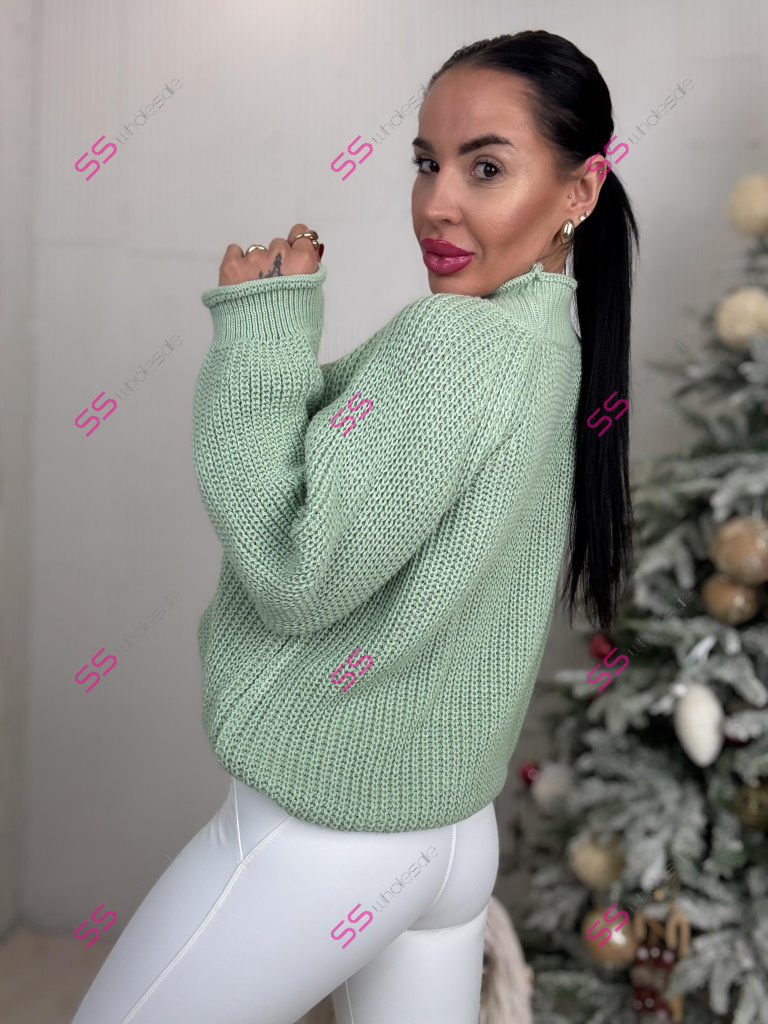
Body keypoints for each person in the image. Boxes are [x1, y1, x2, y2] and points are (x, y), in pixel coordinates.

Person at [71, 28, 638, 1024]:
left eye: (485, 167)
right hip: (452, 830)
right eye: (425, 162)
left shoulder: (456, 340)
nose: (436, 204)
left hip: (328, 834)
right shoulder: (552, 339)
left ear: (580, 190)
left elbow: (294, 565)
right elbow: (364, 459)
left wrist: (259, 334)